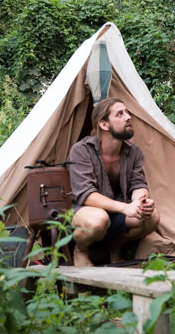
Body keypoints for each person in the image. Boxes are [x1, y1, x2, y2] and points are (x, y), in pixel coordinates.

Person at [68, 98, 160, 266]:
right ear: (104, 124)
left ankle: (115, 245)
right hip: (86, 212)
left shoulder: (133, 151)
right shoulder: (81, 150)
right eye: (120, 114)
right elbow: (86, 195)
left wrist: (140, 202)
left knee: (152, 217)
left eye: (127, 112)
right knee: (99, 220)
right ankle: (80, 251)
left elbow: (138, 184)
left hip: (117, 212)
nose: (128, 117)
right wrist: (126, 208)